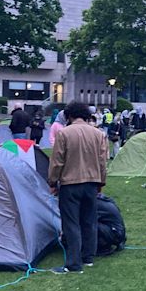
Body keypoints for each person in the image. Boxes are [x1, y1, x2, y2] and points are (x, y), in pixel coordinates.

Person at [48, 101, 108, 274]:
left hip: (70, 184)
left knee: (71, 223)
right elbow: (103, 162)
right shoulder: (98, 134)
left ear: (69, 115)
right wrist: (101, 182)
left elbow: (57, 162)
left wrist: (52, 181)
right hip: (91, 183)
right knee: (89, 220)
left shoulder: (64, 133)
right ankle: (88, 257)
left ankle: (74, 264)